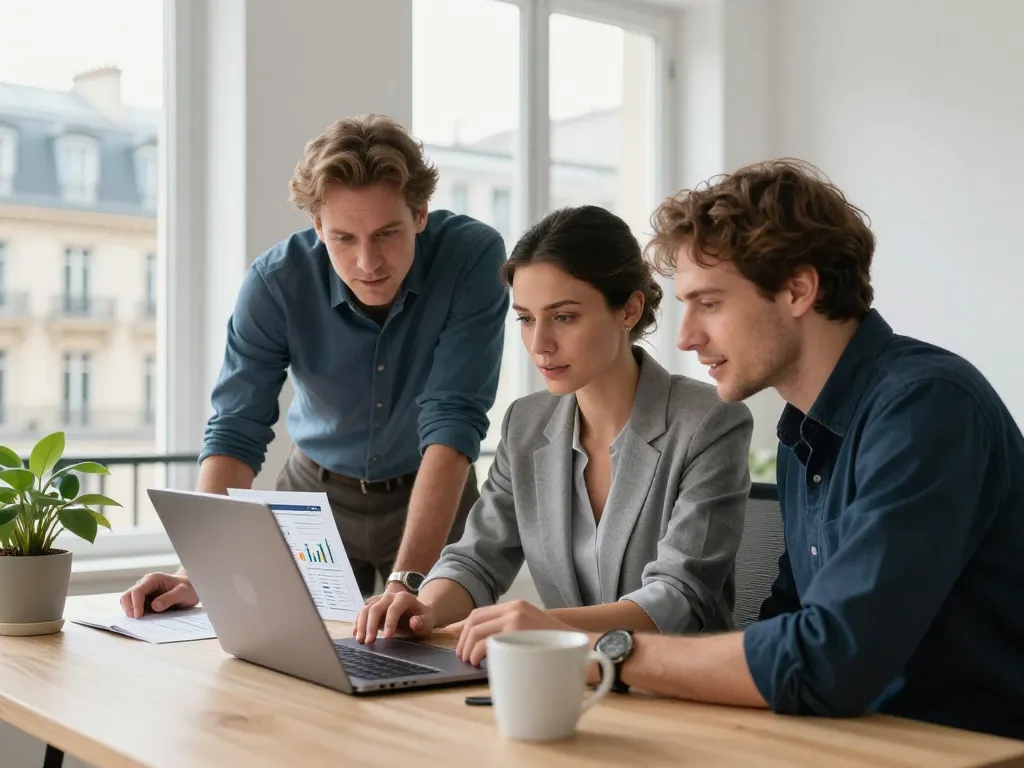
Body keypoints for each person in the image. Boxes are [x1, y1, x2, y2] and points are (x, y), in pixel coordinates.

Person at [466, 160, 1024, 740]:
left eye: (709, 304)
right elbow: (785, 624)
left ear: (797, 290)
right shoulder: (804, 429)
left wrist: (602, 651)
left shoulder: (926, 408)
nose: (684, 337)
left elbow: (826, 657)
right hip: (848, 739)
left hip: (962, 746)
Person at [120, 114, 509, 616]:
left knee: (427, 658)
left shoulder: (472, 258)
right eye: (344, 238)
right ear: (318, 226)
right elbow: (237, 427)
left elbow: (453, 417)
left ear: (420, 214)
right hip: (314, 498)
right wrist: (198, 567)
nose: (369, 263)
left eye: (387, 233)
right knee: (296, 664)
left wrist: (408, 580)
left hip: (433, 488)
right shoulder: (275, 281)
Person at [354, 205, 754, 656]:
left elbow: (680, 597)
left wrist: (545, 625)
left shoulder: (709, 421)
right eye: (525, 318)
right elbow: (477, 559)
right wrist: (421, 608)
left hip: (678, 687)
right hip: (562, 684)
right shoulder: (527, 423)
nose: (540, 344)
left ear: (629, 310)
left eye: (564, 317)